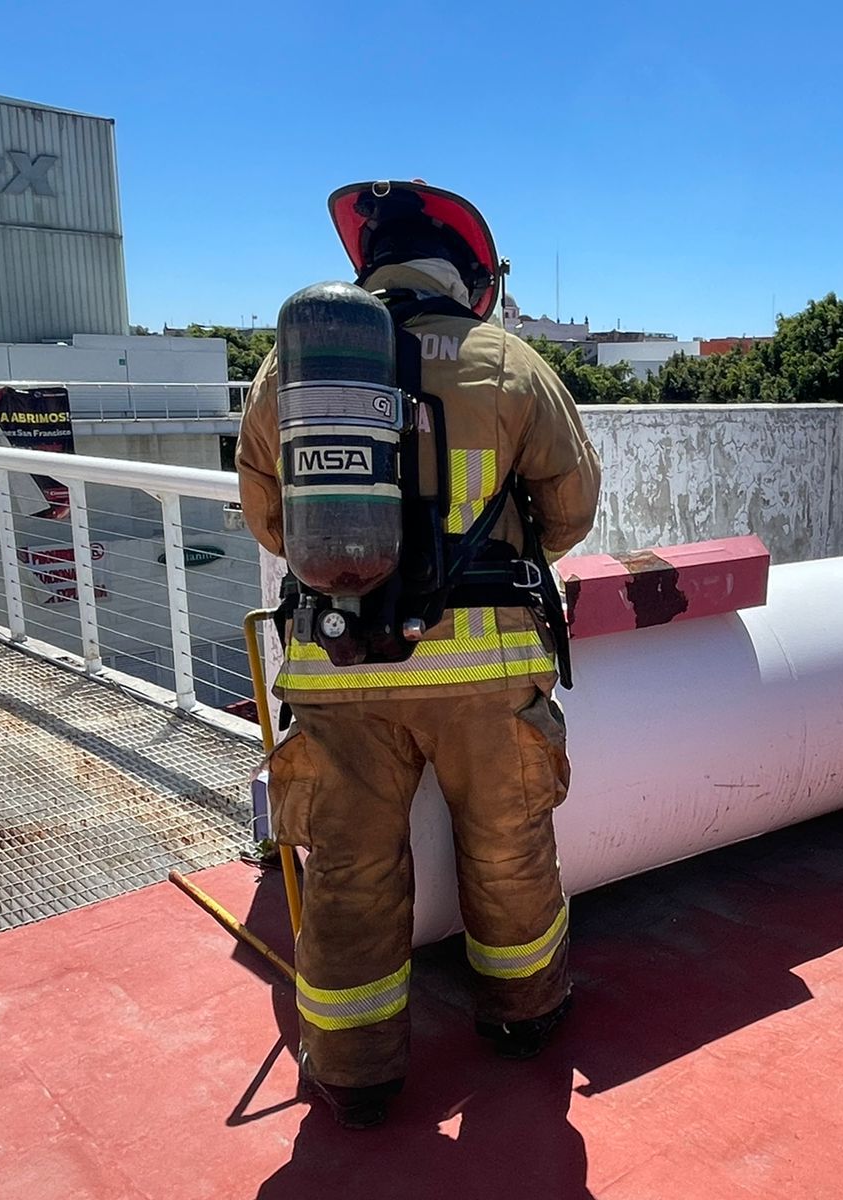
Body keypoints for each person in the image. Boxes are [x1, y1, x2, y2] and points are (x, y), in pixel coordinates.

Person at [236, 180, 601, 1129]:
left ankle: (357, 1072)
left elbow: (273, 522)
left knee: (349, 868)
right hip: (484, 670)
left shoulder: (293, 375)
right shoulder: (511, 366)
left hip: (335, 667)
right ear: (470, 276)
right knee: (508, 844)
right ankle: (522, 1016)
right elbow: (569, 514)